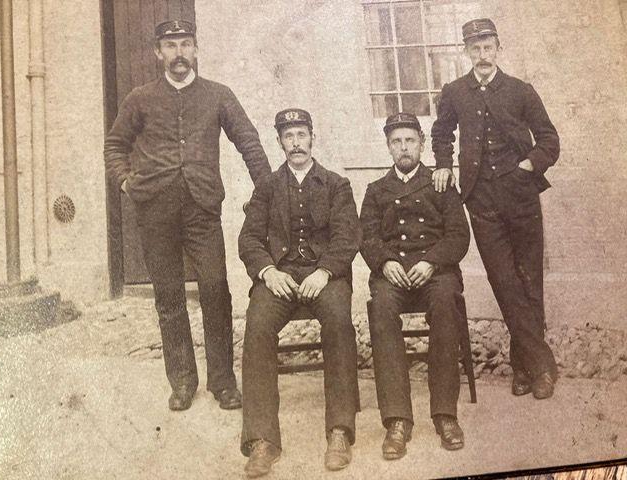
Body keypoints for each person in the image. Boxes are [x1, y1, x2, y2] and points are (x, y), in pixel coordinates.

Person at [104, 20, 271, 412]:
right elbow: (115, 145)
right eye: (170, 45)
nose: (179, 52)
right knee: (168, 295)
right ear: (157, 53)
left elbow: (248, 140)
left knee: (215, 287)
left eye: (185, 44)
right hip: (155, 208)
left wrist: (266, 189)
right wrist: (126, 182)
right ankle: (181, 381)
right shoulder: (140, 98)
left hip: (202, 207)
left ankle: (223, 381)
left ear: (195, 50)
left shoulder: (218, 95)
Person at [431, 18, 559, 399]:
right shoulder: (454, 92)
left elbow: (550, 141)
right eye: (475, 48)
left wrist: (527, 166)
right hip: (481, 199)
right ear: (466, 52)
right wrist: (442, 164)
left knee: (529, 281)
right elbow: (441, 133)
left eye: (488, 47)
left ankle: (525, 369)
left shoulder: (521, 91)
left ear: (498, 48)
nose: (482, 55)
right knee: (504, 281)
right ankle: (543, 367)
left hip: (520, 196)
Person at [238, 108, 361, 477]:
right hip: (280, 277)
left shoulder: (337, 185)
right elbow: (249, 238)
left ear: (312, 138)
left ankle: (339, 430)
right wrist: (267, 270)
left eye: (301, 134)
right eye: (288, 136)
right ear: (280, 142)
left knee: (339, 321)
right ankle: (263, 440)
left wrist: (325, 271)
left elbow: (347, 237)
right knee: (257, 327)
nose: (296, 143)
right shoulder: (267, 187)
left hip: (325, 277)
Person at [360, 112, 470, 455]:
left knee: (444, 303)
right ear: (389, 147)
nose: (403, 148)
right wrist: (385, 261)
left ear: (421, 144)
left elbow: (458, 236)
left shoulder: (440, 182)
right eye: (396, 142)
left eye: (410, 140)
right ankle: (397, 421)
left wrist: (431, 261)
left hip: (434, 271)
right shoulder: (376, 190)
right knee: (381, 308)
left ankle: (444, 414)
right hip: (392, 273)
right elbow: (366, 237)